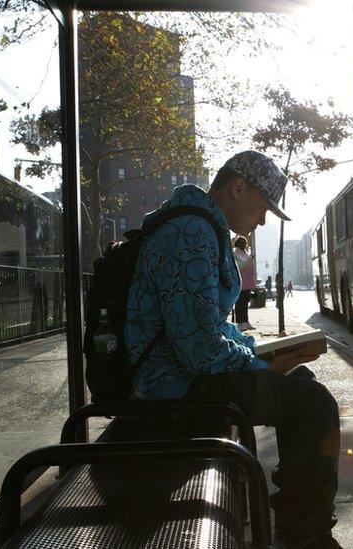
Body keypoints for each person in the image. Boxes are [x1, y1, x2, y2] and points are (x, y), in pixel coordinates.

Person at [125, 150, 341, 549]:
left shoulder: (198, 225)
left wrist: (260, 352)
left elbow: (209, 326)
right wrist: (258, 363)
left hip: (180, 377)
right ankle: (306, 533)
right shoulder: (191, 232)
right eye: (262, 208)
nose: (261, 221)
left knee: (303, 382)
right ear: (238, 188)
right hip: (171, 387)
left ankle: (299, 521)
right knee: (313, 403)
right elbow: (201, 350)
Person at [233, 236, 257, 331]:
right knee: (240, 303)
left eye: (245, 243)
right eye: (242, 243)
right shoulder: (235, 254)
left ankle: (246, 322)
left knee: (245, 303)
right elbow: (241, 267)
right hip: (241, 284)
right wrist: (250, 258)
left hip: (248, 283)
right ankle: (240, 323)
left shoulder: (245, 253)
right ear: (238, 243)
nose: (245, 244)